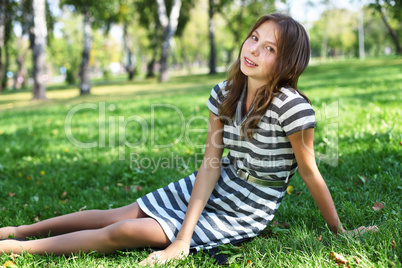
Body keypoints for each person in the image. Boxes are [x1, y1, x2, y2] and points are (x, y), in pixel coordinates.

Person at [0, 13, 377, 265]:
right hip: (222, 181)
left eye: (270, 48)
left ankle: (21, 248)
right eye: (254, 38)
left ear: (287, 63)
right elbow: (211, 165)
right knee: (120, 214)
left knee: (126, 231)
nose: (254, 50)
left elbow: (310, 173)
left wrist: (340, 232)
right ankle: (16, 231)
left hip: (246, 208)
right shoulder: (223, 94)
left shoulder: (293, 110)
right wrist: (182, 235)